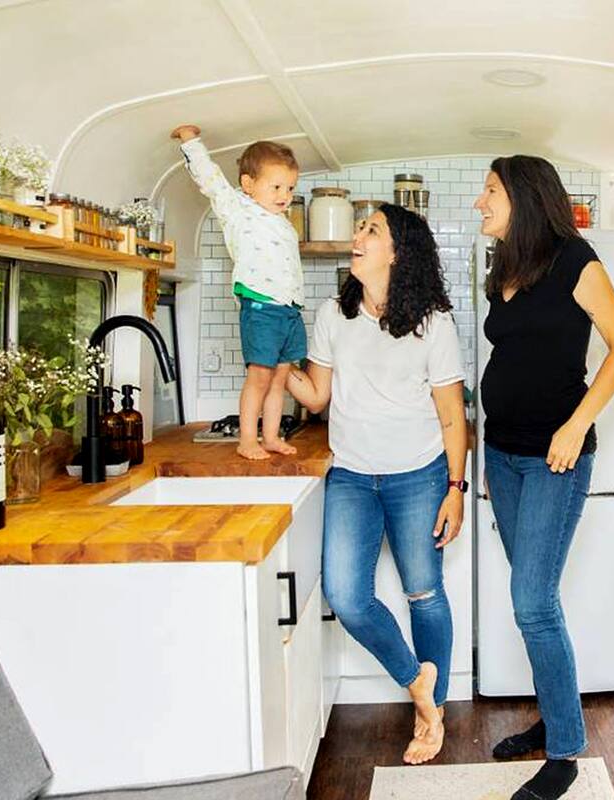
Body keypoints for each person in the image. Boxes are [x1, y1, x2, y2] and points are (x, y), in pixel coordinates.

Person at [474, 156, 614, 800]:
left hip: (555, 458)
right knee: (535, 599)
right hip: (503, 455)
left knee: (531, 602)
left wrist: (574, 425)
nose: (479, 203)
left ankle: (566, 751)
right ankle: (557, 713)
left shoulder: (577, 259)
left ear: (521, 195)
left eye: (489, 191)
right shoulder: (502, 269)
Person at [286, 203, 467, 765]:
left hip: (420, 473)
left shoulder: (433, 322)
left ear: (398, 252)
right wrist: (271, 363)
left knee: (425, 593)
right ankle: (421, 686)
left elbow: (453, 416)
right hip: (352, 477)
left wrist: (455, 488)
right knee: (345, 595)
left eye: (371, 230)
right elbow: (317, 397)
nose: (357, 237)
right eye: (359, 227)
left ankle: (427, 718)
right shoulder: (331, 315)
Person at [172, 123, 304, 460]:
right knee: (259, 376)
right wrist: (191, 141)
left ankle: (271, 436)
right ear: (248, 184)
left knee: (280, 379)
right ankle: (247, 439)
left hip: (289, 310)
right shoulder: (238, 211)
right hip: (260, 307)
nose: (284, 195)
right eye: (276, 186)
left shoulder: (284, 223)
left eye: (289, 187)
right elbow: (210, 178)